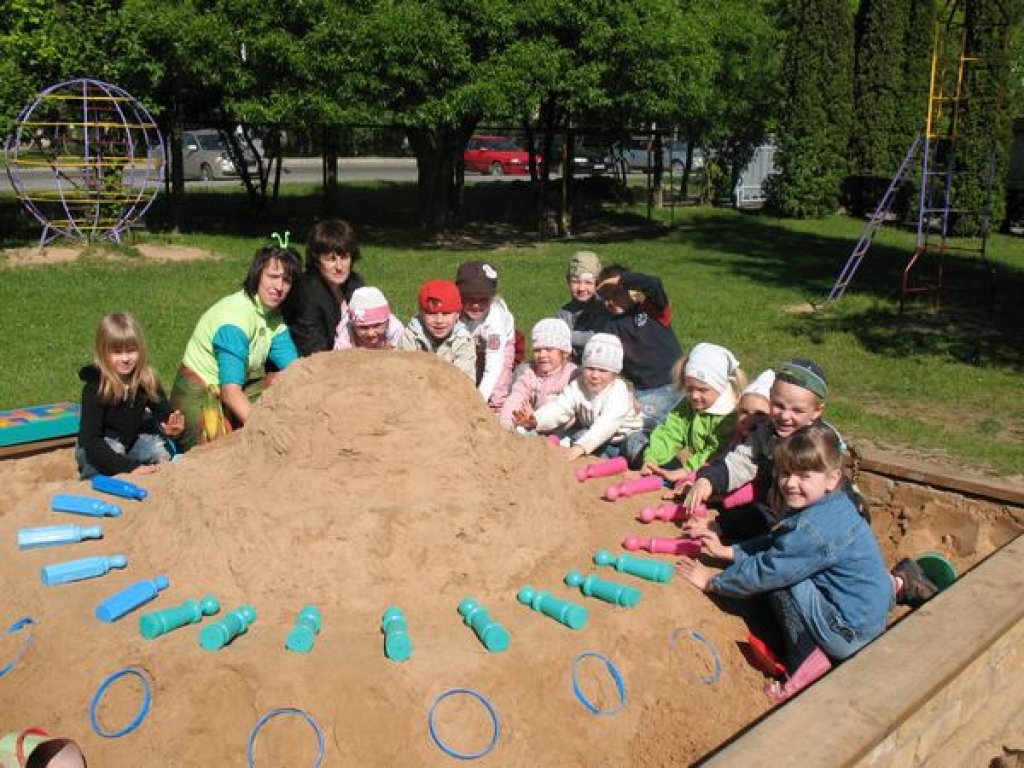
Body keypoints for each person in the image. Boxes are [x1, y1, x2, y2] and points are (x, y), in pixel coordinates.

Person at [676, 423, 893, 703]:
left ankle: (803, 656)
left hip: (847, 633)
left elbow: (770, 570)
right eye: (786, 473)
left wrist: (713, 581)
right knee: (789, 563)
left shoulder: (814, 529)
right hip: (869, 618)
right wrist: (729, 552)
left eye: (804, 475)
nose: (791, 483)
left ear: (831, 478)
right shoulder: (836, 505)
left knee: (783, 580)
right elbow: (779, 543)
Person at [681, 358, 839, 539]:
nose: (785, 416)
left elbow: (785, 507)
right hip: (776, 506)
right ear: (770, 396)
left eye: (797, 411)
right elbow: (741, 462)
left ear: (817, 412)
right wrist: (709, 480)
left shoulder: (819, 445)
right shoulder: (766, 429)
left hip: (813, 523)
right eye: (778, 405)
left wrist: (724, 526)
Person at [170, 244, 301, 449]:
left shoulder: (272, 317)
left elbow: (297, 370)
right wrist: (265, 433)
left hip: (232, 392)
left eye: (286, 280)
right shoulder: (235, 320)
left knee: (283, 383)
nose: (279, 286)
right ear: (257, 274)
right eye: (272, 276)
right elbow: (231, 393)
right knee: (219, 453)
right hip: (200, 397)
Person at [76, 313, 184, 479]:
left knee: (158, 450)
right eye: (117, 352)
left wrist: (171, 425)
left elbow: (162, 410)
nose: (125, 358)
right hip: (97, 448)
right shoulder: (95, 388)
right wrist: (129, 468)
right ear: (103, 353)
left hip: (130, 442)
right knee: (113, 453)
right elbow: (91, 440)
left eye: (131, 351)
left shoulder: (146, 379)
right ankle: (96, 478)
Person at [513, 333, 642, 461]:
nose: (595, 375)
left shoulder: (618, 391)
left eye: (603, 370)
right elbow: (560, 407)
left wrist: (579, 448)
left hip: (626, 435)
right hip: (601, 440)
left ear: (615, 373)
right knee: (579, 437)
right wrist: (537, 419)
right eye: (590, 368)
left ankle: (639, 462)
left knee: (635, 445)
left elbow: (606, 425)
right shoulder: (579, 385)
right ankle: (609, 459)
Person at [639, 342, 747, 480]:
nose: (695, 396)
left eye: (702, 390)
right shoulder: (688, 404)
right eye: (690, 389)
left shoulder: (729, 414)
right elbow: (670, 432)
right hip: (693, 463)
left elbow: (714, 452)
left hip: (717, 470)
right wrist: (652, 459)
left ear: (720, 387)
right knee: (641, 450)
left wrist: (684, 472)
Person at [594, 264, 683, 430]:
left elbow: (654, 284)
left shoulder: (651, 310)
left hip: (679, 384)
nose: (610, 301)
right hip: (647, 393)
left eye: (616, 293)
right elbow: (610, 367)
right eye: (605, 297)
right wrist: (626, 392)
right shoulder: (609, 328)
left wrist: (622, 280)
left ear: (630, 289)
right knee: (640, 426)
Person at [287, 220, 365, 355]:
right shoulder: (306, 291)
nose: (339, 267)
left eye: (345, 257)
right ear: (317, 261)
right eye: (331, 259)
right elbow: (313, 348)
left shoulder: (355, 284)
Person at [455, 261, 516, 411]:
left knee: (498, 385)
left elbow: (493, 367)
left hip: (501, 343)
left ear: (492, 297)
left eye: (483, 299)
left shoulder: (495, 320)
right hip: (470, 340)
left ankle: (497, 412)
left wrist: (478, 402)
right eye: (469, 299)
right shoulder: (454, 312)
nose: (476, 305)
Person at [499, 318, 578, 430]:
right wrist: (505, 424)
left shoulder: (572, 374)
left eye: (548, 349)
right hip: (533, 423)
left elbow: (571, 408)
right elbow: (516, 396)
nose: (542, 354)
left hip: (564, 429)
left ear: (564, 353)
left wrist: (536, 417)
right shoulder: (531, 373)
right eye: (537, 350)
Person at [399, 279, 477, 380]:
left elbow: (464, 381)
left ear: (458, 314)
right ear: (421, 313)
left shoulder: (463, 341)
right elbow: (402, 373)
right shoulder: (411, 335)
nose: (439, 320)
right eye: (431, 313)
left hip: (449, 391)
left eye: (446, 313)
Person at [555, 251, 608, 363]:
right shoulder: (563, 313)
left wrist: (563, 335)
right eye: (575, 282)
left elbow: (597, 337)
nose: (581, 288)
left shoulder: (605, 309)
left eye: (588, 282)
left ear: (598, 283)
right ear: (568, 282)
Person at [333, 286, 403, 350]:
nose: (370, 333)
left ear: (387, 322)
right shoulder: (346, 330)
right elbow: (339, 357)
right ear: (353, 325)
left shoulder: (395, 329)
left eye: (376, 326)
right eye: (363, 327)